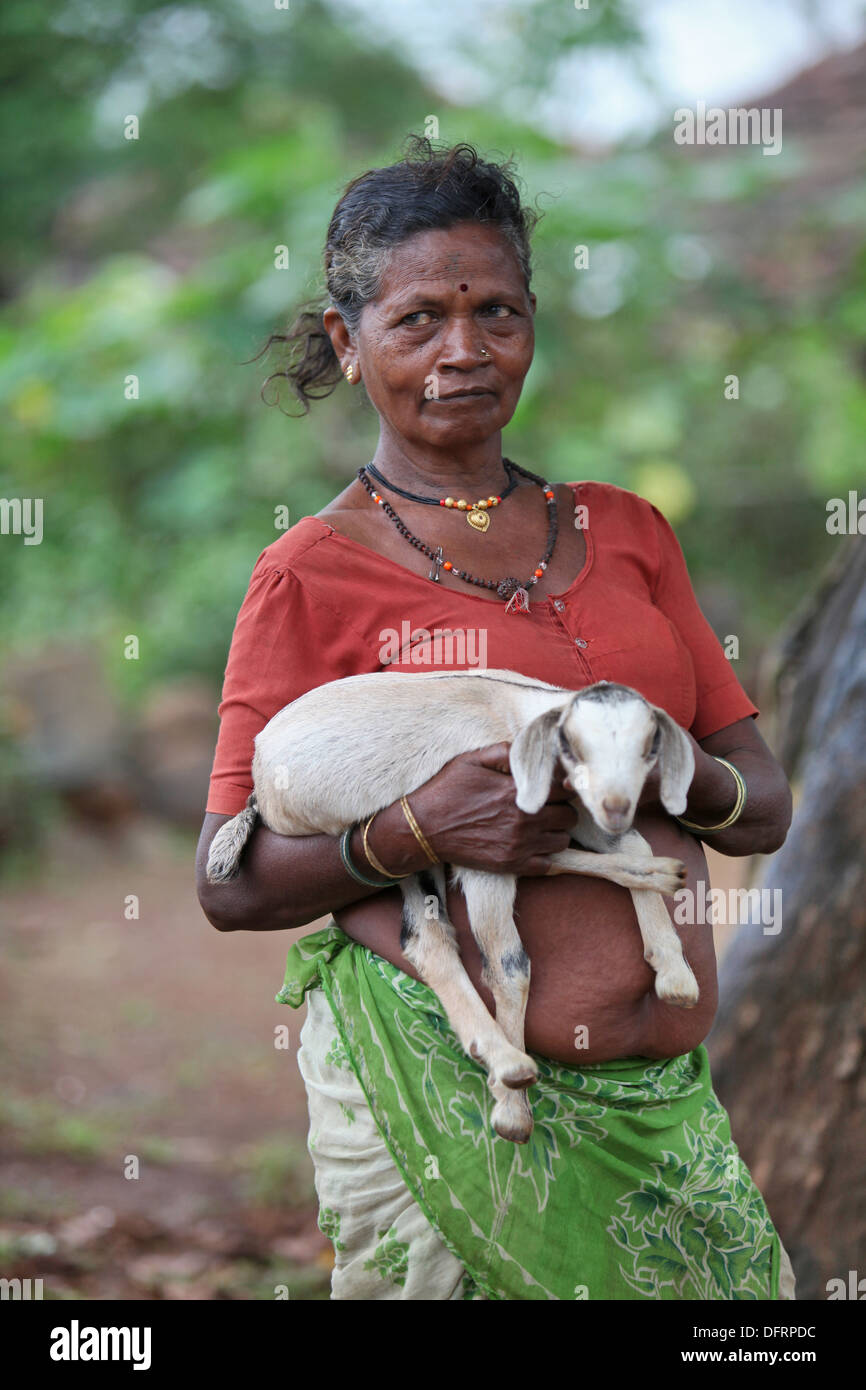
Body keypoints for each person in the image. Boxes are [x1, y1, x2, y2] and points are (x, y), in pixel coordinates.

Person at [195, 135, 796, 1301]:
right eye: (418, 318)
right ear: (345, 340)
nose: (463, 350)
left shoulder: (626, 532)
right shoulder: (307, 575)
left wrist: (660, 770)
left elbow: (757, 805)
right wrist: (417, 828)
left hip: (660, 1107)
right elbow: (230, 882)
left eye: (497, 312)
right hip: (443, 1094)